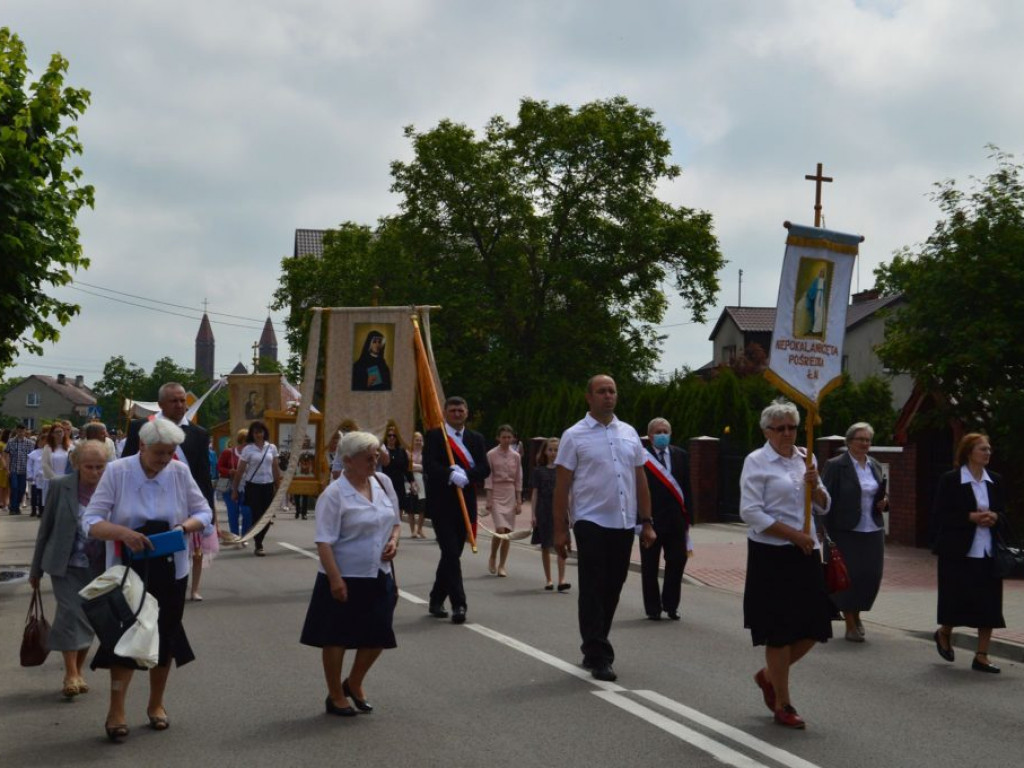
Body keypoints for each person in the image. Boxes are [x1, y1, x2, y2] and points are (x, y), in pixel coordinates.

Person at [83, 418, 213, 741]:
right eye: (159, 453)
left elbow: (205, 512)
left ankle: (156, 704)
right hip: (127, 571)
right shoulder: (118, 472)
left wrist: (184, 528)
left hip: (171, 568)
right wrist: (123, 533)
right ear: (141, 446)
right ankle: (116, 709)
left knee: (165, 637)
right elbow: (91, 521)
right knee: (123, 639)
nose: (165, 460)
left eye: (170, 453)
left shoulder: (180, 473)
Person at [553, 375, 654, 682]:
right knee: (594, 585)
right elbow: (562, 485)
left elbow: (640, 479)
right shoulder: (574, 435)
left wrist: (647, 522)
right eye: (602, 391)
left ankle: (592, 642)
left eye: (612, 390)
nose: (608, 396)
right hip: (590, 520)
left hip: (622, 522)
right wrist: (560, 530)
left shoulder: (629, 433)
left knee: (614, 585)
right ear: (589, 397)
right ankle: (600, 655)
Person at [740, 398, 832, 729]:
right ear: (767, 431)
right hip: (772, 553)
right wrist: (794, 535)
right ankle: (783, 703)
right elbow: (750, 512)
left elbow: (823, 505)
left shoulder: (805, 458)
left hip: (806, 551)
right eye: (780, 428)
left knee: (816, 625)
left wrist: (816, 486)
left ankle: (768, 676)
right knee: (778, 632)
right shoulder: (756, 461)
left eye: (793, 427)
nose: (788, 434)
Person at [300, 431, 401, 716]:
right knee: (337, 637)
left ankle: (354, 682)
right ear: (347, 461)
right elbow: (324, 540)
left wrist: (394, 542)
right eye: (367, 457)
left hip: (377, 573)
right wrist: (335, 579)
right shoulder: (334, 495)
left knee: (379, 635)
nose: (374, 461)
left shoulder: (383, 482)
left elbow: (395, 522)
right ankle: (335, 696)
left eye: (376, 455)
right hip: (343, 575)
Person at [29, 441, 107, 698]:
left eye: (100, 466)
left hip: (99, 565)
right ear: (76, 464)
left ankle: (78, 670)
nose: (95, 472)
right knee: (71, 613)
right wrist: (35, 570)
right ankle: (70, 673)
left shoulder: (111, 488)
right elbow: (45, 529)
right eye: (89, 467)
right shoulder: (61, 486)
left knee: (90, 618)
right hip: (64, 564)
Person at [931, 433, 1007, 674]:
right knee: (956, 599)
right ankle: (944, 632)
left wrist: (996, 517)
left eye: (989, 449)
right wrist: (970, 517)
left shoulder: (995, 480)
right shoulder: (951, 480)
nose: (988, 453)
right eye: (983, 449)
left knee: (990, 604)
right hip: (958, 551)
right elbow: (939, 515)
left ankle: (982, 656)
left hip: (988, 551)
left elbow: (1005, 513)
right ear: (968, 452)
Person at [424, 396, 489, 624]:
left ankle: (435, 598)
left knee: (452, 555)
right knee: (451, 553)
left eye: (461, 410)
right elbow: (430, 465)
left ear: (467, 413)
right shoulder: (435, 436)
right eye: (452, 411)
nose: (457, 414)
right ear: (445, 413)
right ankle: (459, 604)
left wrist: (467, 475)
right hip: (442, 504)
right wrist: (450, 474)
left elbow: (484, 468)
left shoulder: (476, 438)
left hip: (465, 504)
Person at [822, 422, 889, 642]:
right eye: (860, 439)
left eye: (868, 440)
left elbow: (881, 495)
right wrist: (822, 529)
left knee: (869, 576)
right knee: (848, 577)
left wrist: (884, 503)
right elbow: (824, 499)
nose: (864, 444)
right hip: (844, 530)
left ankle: (857, 613)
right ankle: (850, 622)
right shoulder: (836, 466)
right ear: (849, 441)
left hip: (873, 528)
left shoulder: (875, 465)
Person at [122, 382, 216, 511]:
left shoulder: (199, 433)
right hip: (145, 499)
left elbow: (203, 477)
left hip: (183, 503)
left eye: (182, 401)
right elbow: (126, 465)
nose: (179, 405)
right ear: (160, 404)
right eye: (173, 401)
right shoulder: (140, 427)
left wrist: (210, 513)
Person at [641, 418, 694, 622]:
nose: (662, 434)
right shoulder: (642, 458)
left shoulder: (680, 455)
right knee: (650, 566)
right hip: (650, 521)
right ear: (650, 435)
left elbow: (687, 487)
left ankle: (671, 605)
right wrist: (641, 521)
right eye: (658, 432)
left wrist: (689, 518)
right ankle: (653, 608)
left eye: (665, 431)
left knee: (677, 562)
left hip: (676, 522)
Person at [231, 420, 281, 557]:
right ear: (252, 434)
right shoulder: (248, 449)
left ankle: (259, 539)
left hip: (268, 486)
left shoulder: (272, 448)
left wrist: (279, 487)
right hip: (253, 486)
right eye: (255, 432)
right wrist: (235, 490)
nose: (258, 435)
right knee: (257, 515)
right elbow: (240, 471)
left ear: (265, 432)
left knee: (267, 516)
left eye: (260, 432)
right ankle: (259, 544)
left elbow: (275, 468)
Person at [531, 437, 569, 592]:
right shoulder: (538, 471)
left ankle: (562, 579)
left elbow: (568, 493)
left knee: (562, 545)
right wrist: (533, 515)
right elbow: (535, 493)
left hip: (560, 511)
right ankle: (549, 579)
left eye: (557, 450)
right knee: (546, 546)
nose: (553, 453)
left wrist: (570, 513)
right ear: (545, 452)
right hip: (544, 510)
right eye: (551, 450)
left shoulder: (564, 470)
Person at [484, 424, 523, 577]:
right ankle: (493, 556)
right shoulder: (491, 454)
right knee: (500, 529)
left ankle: (502, 565)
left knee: (508, 532)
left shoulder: (516, 456)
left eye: (509, 437)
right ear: (498, 438)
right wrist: (488, 499)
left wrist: (519, 500)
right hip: (496, 493)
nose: (507, 440)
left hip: (510, 492)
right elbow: (488, 477)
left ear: (513, 438)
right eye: (503, 437)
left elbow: (519, 478)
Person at [380, 421, 413, 531]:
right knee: (385, 508)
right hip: (384, 483)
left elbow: (406, 468)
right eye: (389, 435)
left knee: (398, 507)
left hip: (398, 483)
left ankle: (395, 532)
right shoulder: (382, 450)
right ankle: (386, 531)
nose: (392, 438)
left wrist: (412, 482)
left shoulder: (401, 451)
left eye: (394, 436)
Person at [218, 429, 252, 538]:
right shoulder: (229, 452)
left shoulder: (252, 453)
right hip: (230, 487)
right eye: (246, 440)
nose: (248, 443)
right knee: (233, 513)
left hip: (247, 487)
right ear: (241, 440)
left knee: (247, 512)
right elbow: (219, 467)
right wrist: (229, 471)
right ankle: (235, 536)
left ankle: (245, 535)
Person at [5, 424, 35, 514]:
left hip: (24, 469)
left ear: (25, 431)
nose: (21, 433)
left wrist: (31, 470)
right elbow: (7, 455)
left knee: (21, 489)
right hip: (13, 469)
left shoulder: (30, 443)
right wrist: (7, 468)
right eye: (19, 431)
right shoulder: (11, 442)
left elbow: (32, 458)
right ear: (16, 431)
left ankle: (16, 505)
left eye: (22, 431)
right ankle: (13, 508)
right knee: (14, 487)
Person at [41, 424, 72, 504]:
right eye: (56, 432)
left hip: (66, 480)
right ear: (52, 434)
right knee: (53, 504)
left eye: (61, 431)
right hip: (52, 480)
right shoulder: (48, 448)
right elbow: (45, 464)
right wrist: (55, 478)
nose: (59, 434)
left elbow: (73, 464)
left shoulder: (70, 447)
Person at [408, 432, 427, 538]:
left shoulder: (425, 452)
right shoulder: (408, 451)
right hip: (410, 480)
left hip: (422, 480)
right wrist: (420, 466)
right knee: (411, 506)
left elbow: (427, 466)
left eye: (420, 440)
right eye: (417, 440)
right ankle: (413, 530)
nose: (419, 442)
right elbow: (408, 466)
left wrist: (415, 466)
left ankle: (420, 528)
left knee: (422, 506)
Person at [27, 435, 46, 517]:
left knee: (42, 495)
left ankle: (41, 511)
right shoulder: (34, 453)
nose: (43, 443)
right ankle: (34, 509)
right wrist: (30, 474)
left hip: (45, 477)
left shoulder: (50, 452)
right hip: (36, 477)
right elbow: (29, 465)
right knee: (34, 495)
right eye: (42, 441)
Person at [0, 428, 9, 511]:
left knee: (7, 486)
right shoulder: (1, 444)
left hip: (8, 467)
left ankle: (6, 503)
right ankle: (2, 503)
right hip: (2, 468)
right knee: (2, 486)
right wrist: (4, 465)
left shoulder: (9, 444)